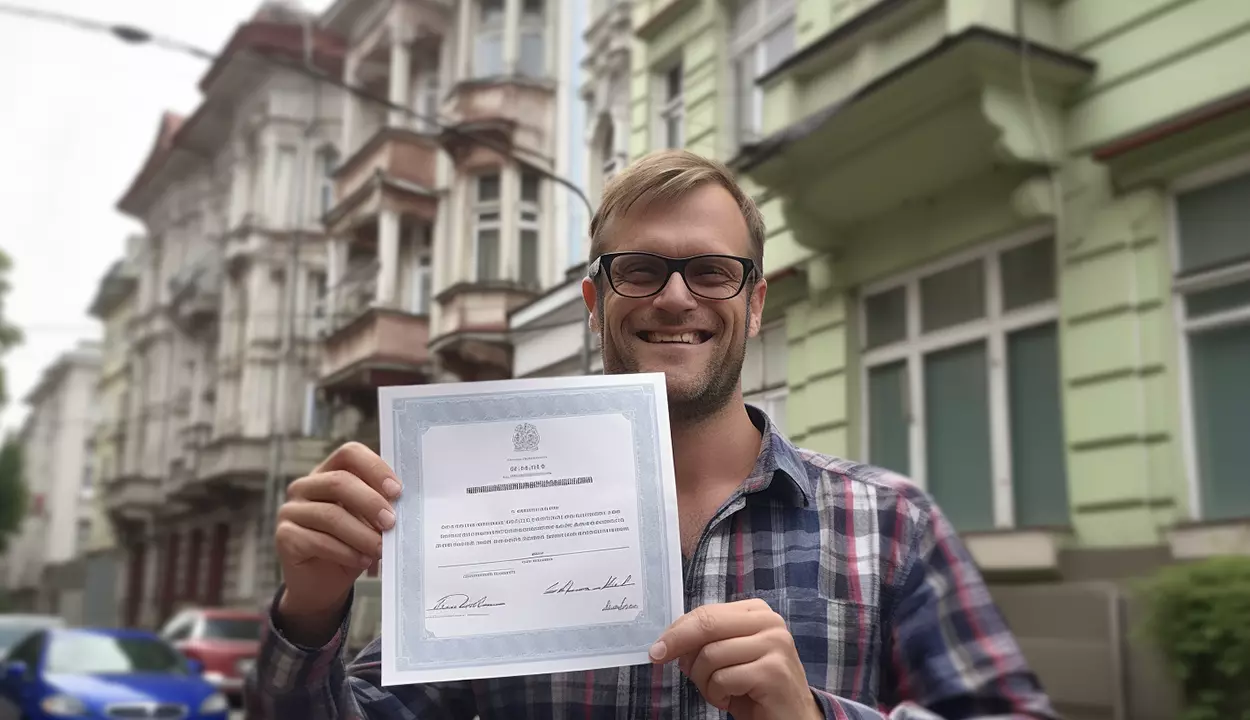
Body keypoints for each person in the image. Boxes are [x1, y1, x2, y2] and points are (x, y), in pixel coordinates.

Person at [247, 149, 1058, 720]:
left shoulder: (889, 524)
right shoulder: (483, 517)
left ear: (754, 304)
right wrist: (311, 608)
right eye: (638, 270)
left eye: (711, 271)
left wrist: (815, 719)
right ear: (595, 303)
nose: (675, 298)